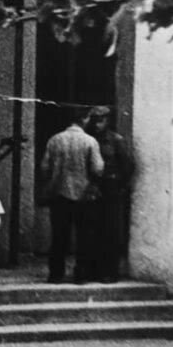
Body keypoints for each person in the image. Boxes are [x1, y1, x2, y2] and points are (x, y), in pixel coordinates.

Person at [42, 112, 105, 284]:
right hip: (83, 195)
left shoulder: (54, 140)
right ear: (83, 120)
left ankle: (56, 274)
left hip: (59, 193)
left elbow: (45, 167)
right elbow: (98, 168)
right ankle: (81, 275)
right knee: (84, 236)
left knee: (59, 236)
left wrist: (53, 179)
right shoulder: (90, 141)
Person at [84, 105, 134, 283]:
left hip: (111, 188)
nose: (97, 124)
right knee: (92, 230)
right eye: (94, 120)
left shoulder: (116, 140)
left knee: (111, 230)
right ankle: (93, 270)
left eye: (101, 120)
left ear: (108, 121)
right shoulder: (88, 139)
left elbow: (128, 165)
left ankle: (110, 271)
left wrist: (119, 184)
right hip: (92, 187)